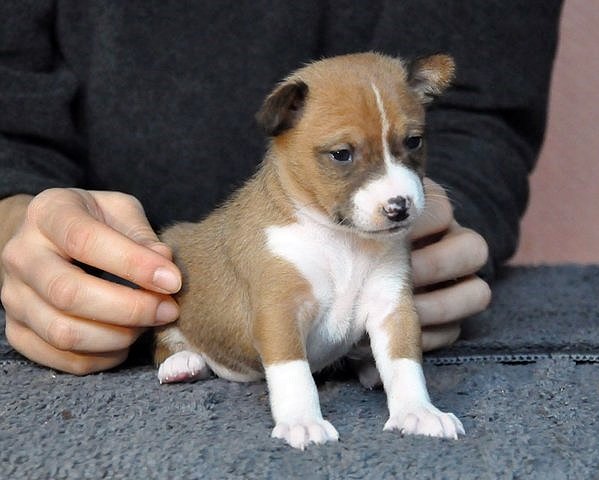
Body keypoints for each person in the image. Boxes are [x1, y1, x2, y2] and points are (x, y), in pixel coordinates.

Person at [0, 1, 562, 375]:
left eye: (411, 145)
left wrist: (443, 231)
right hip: (113, 296)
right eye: (343, 155)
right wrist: (14, 215)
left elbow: (478, 112)